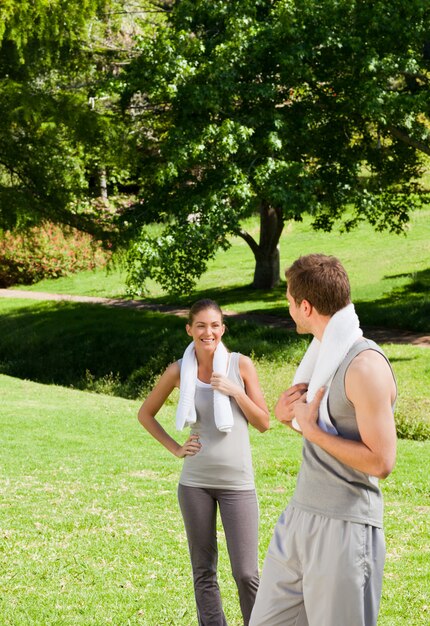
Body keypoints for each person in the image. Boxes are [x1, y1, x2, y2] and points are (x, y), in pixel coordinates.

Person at [249, 254, 397, 626]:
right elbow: (318, 426)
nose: (287, 307)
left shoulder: (364, 366)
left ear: (305, 306)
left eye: (287, 299)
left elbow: (382, 462)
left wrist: (311, 431)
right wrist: (290, 419)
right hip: (300, 516)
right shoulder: (321, 358)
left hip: (346, 527)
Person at [138, 298, 270, 626]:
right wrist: (175, 448)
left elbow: (264, 422)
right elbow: (145, 414)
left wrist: (234, 392)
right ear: (189, 329)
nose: (207, 331)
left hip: (237, 485)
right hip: (194, 483)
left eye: (214, 325)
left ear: (223, 329)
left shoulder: (241, 365)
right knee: (204, 572)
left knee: (246, 573)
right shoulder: (178, 371)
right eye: (200, 325)